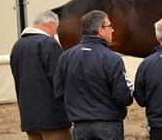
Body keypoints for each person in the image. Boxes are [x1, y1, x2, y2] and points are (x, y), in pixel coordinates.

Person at [53, 10, 133, 140]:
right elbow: (123, 97)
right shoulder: (111, 58)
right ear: (101, 30)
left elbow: (59, 92)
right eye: (110, 26)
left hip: (80, 125)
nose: (112, 30)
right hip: (108, 125)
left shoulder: (66, 57)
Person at [10, 10, 72, 140]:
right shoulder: (48, 43)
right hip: (53, 119)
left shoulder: (17, 45)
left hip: (29, 118)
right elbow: (60, 79)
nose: (55, 34)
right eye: (56, 29)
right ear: (50, 23)